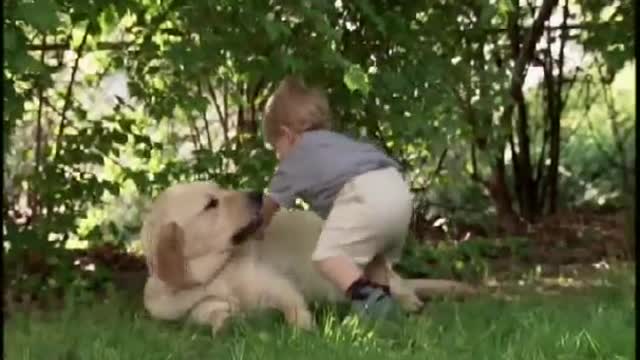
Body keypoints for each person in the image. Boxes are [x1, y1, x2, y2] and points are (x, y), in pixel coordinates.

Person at [258, 76, 413, 320]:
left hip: (365, 194)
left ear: (287, 136)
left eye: (276, 149)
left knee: (327, 257)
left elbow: (270, 206)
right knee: (375, 257)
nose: (279, 157)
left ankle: (374, 306)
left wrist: (256, 228)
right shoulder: (339, 143)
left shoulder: (296, 157)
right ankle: (384, 303)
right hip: (397, 187)